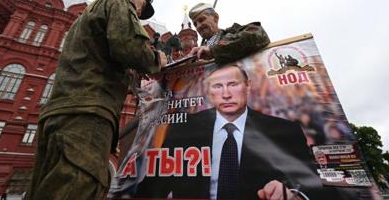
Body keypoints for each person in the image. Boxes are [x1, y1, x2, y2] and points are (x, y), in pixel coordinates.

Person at [27, 0, 167, 200]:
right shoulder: (119, 4)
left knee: (47, 188)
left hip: (59, 113)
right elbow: (129, 47)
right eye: (142, 5)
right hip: (89, 113)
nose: (139, 12)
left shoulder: (87, 16)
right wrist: (156, 59)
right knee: (80, 185)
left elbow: (105, 56)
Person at [137, 64, 338, 200]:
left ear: (247, 86)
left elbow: (313, 185)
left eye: (233, 85)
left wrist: (293, 194)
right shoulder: (184, 129)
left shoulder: (284, 130)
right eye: (218, 86)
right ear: (209, 92)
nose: (225, 94)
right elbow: (152, 186)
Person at [188, 2, 270, 64]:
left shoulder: (233, 32)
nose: (198, 26)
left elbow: (258, 33)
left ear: (215, 18)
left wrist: (213, 51)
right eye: (195, 24)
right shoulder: (196, 54)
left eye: (201, 20)